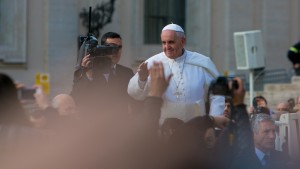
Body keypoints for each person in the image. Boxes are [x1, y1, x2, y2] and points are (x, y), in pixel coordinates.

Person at [128, 23, 224, 123]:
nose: (167, 47)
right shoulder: (153, 63)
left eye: (171, 42)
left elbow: (217, 94)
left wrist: (215, 120)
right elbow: (135, 95)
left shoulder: (201, 63)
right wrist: (142, 79)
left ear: (183, 41)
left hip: (196, 128)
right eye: (164, 43)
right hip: (164, 131)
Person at [71, 32, 138, 115]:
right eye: (112, 47)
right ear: (102, 49)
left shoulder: (127, 73)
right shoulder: (86, 71)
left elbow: (136, 101)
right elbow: (76, 99)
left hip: (120, 126)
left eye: (119, 47)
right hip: (94, 125)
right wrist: (88, 75)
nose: (116, 51)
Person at [230, 113, 296, 169]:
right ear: (253, 134)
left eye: (273, 131)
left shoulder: (283, 158)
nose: (272, 136)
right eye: (266, 132)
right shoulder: (240, 162)